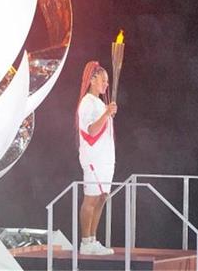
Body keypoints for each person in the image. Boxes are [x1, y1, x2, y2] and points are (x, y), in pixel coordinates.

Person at [76, 60, 117, 255]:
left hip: (106, 159)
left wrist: (107, 112)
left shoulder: (99, 103)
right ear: (92, 79)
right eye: (103, 80)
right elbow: (91, 131)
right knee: (91, 199)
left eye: (107, 81)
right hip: (93, 159)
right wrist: (106, 114)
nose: (106, 84)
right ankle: (85, 242)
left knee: (101, 198)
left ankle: (92, 240)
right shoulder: (87, 102)